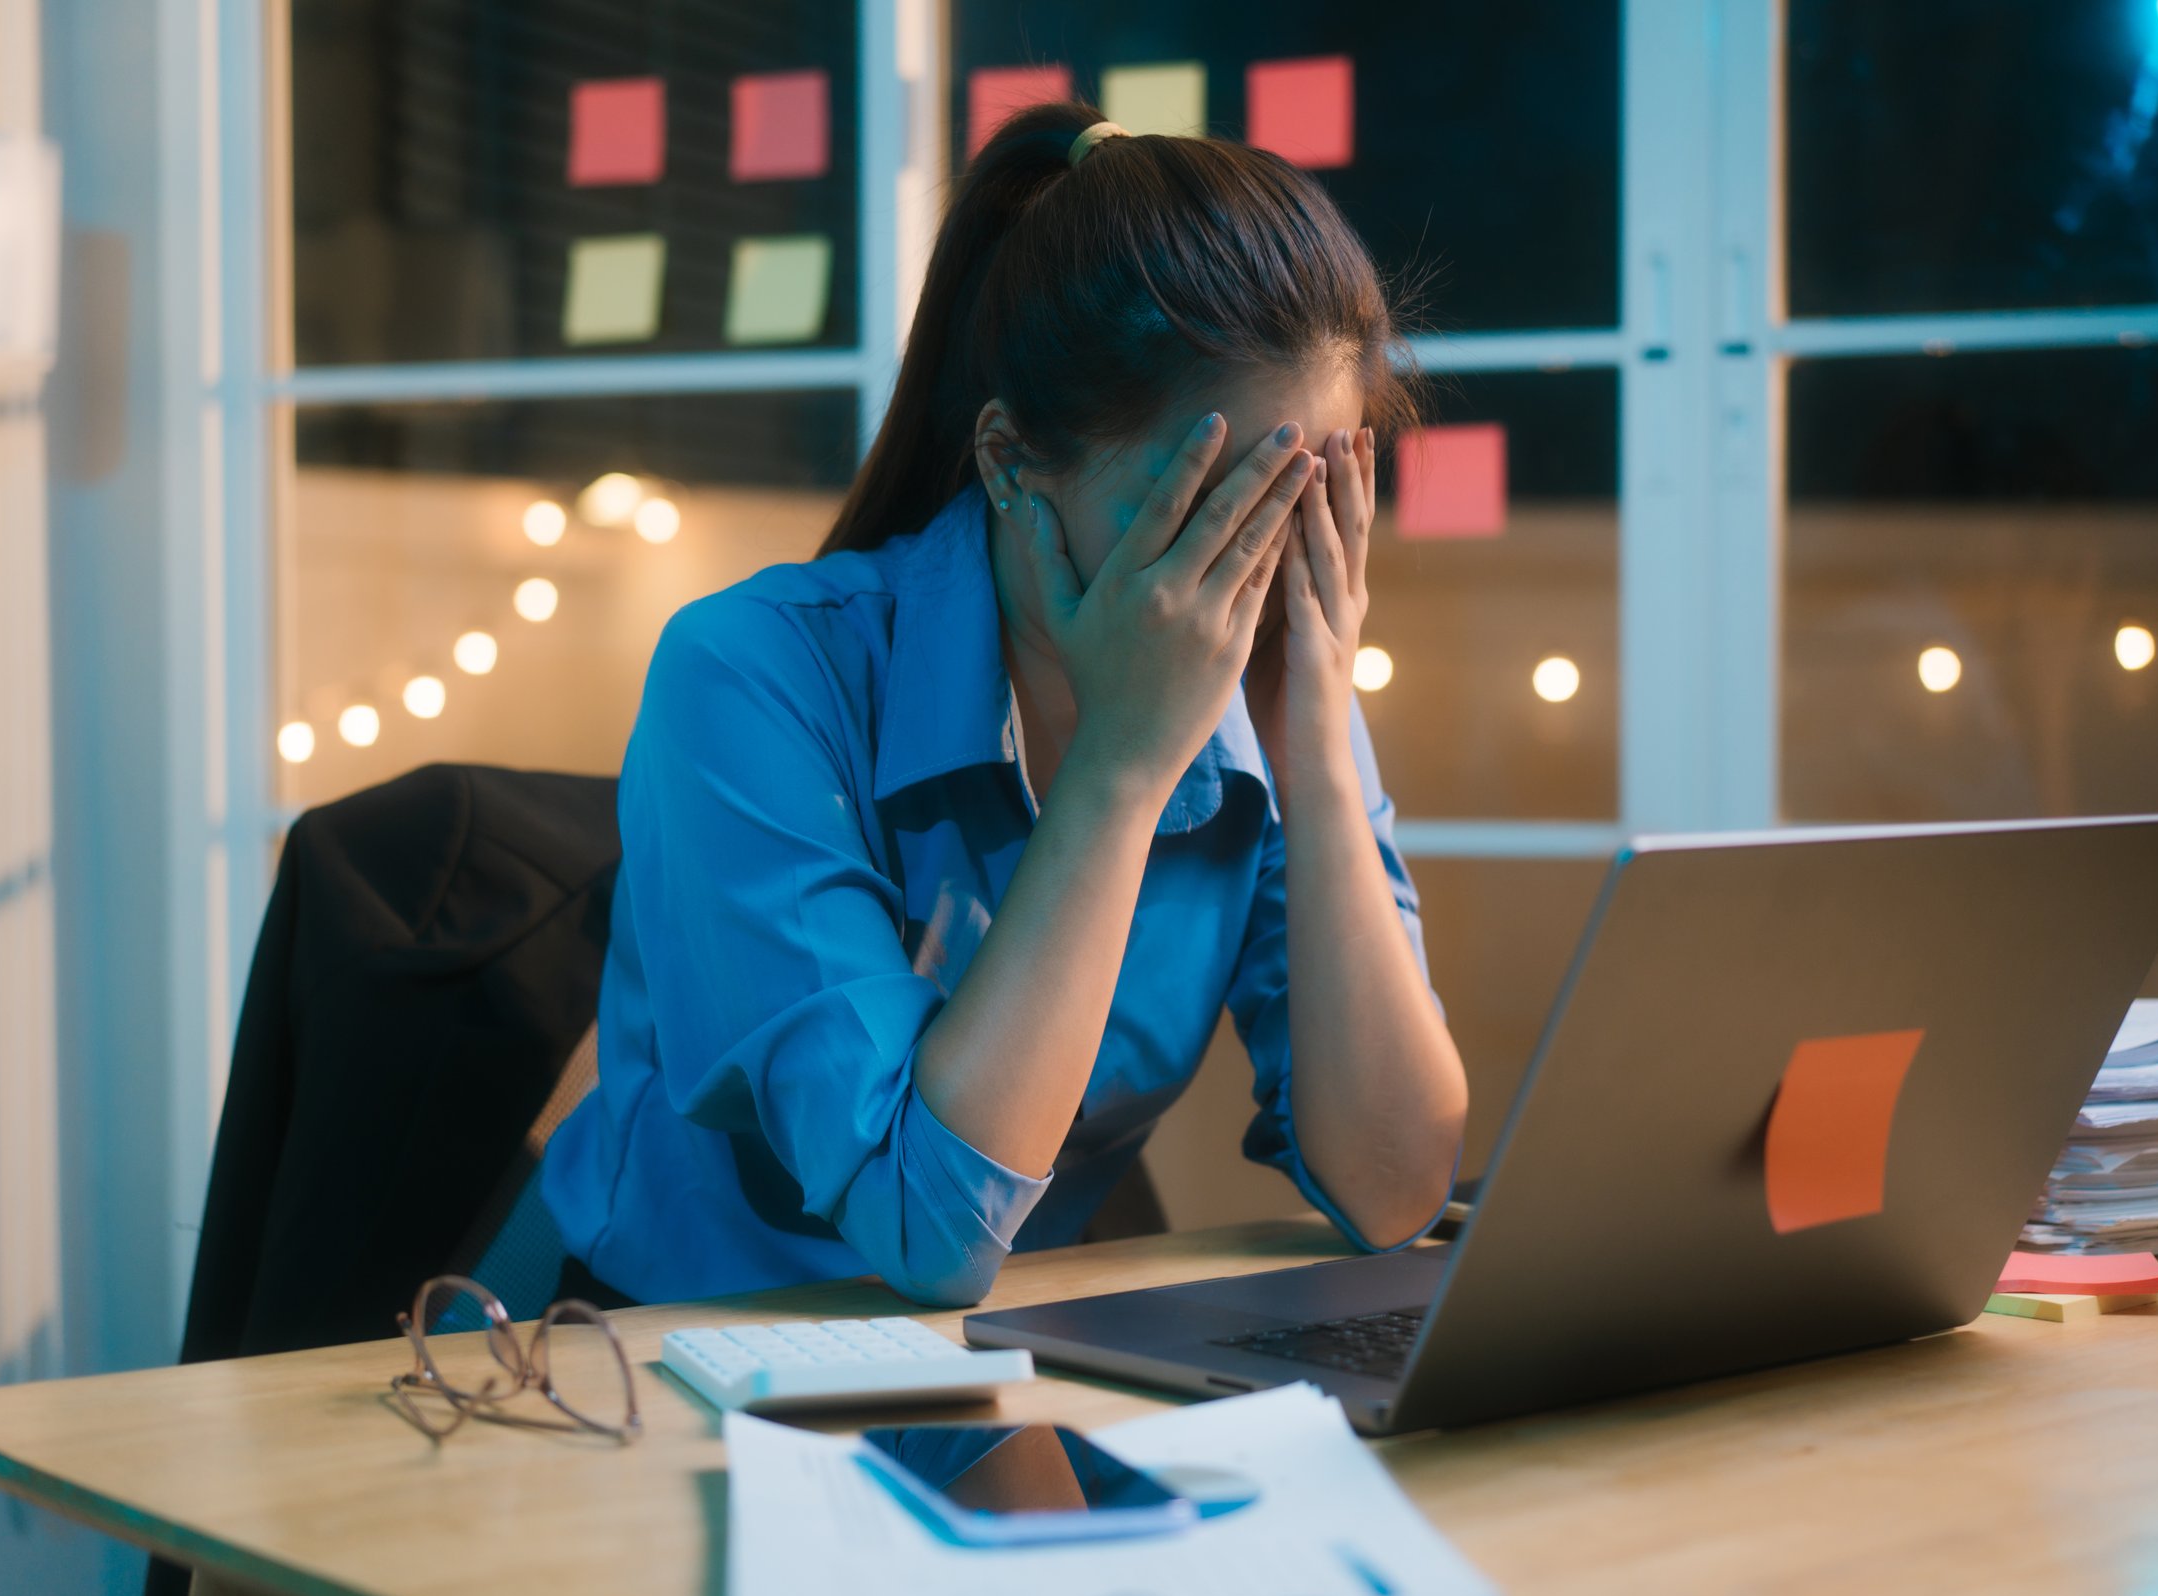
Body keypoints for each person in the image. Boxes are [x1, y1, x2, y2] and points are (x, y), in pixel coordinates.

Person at [542, 103, 1469, 1308]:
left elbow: (1393, 1187)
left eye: (1306, 498)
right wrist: (1124, 770)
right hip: (671, 1366)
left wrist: (1321, 745)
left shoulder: (1273, 686)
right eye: (1210, 504)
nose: (1256, 568)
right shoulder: (746, 674)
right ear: (1014, 463)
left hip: (1012, 1361)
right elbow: (923, 1228)